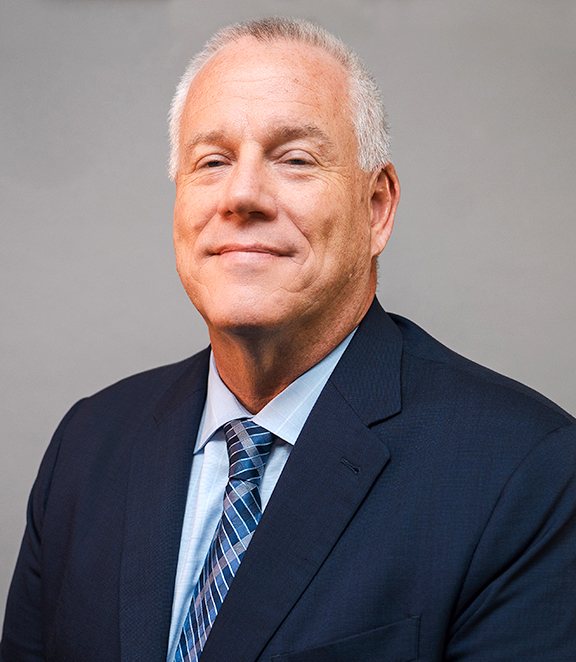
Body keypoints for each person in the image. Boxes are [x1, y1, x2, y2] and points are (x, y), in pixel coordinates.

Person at [1, 16, 575, 662]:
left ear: (377, 208)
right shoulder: (84, 452)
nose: (242, 195)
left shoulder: (526, 475)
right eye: (211, 161)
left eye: (295, 159)